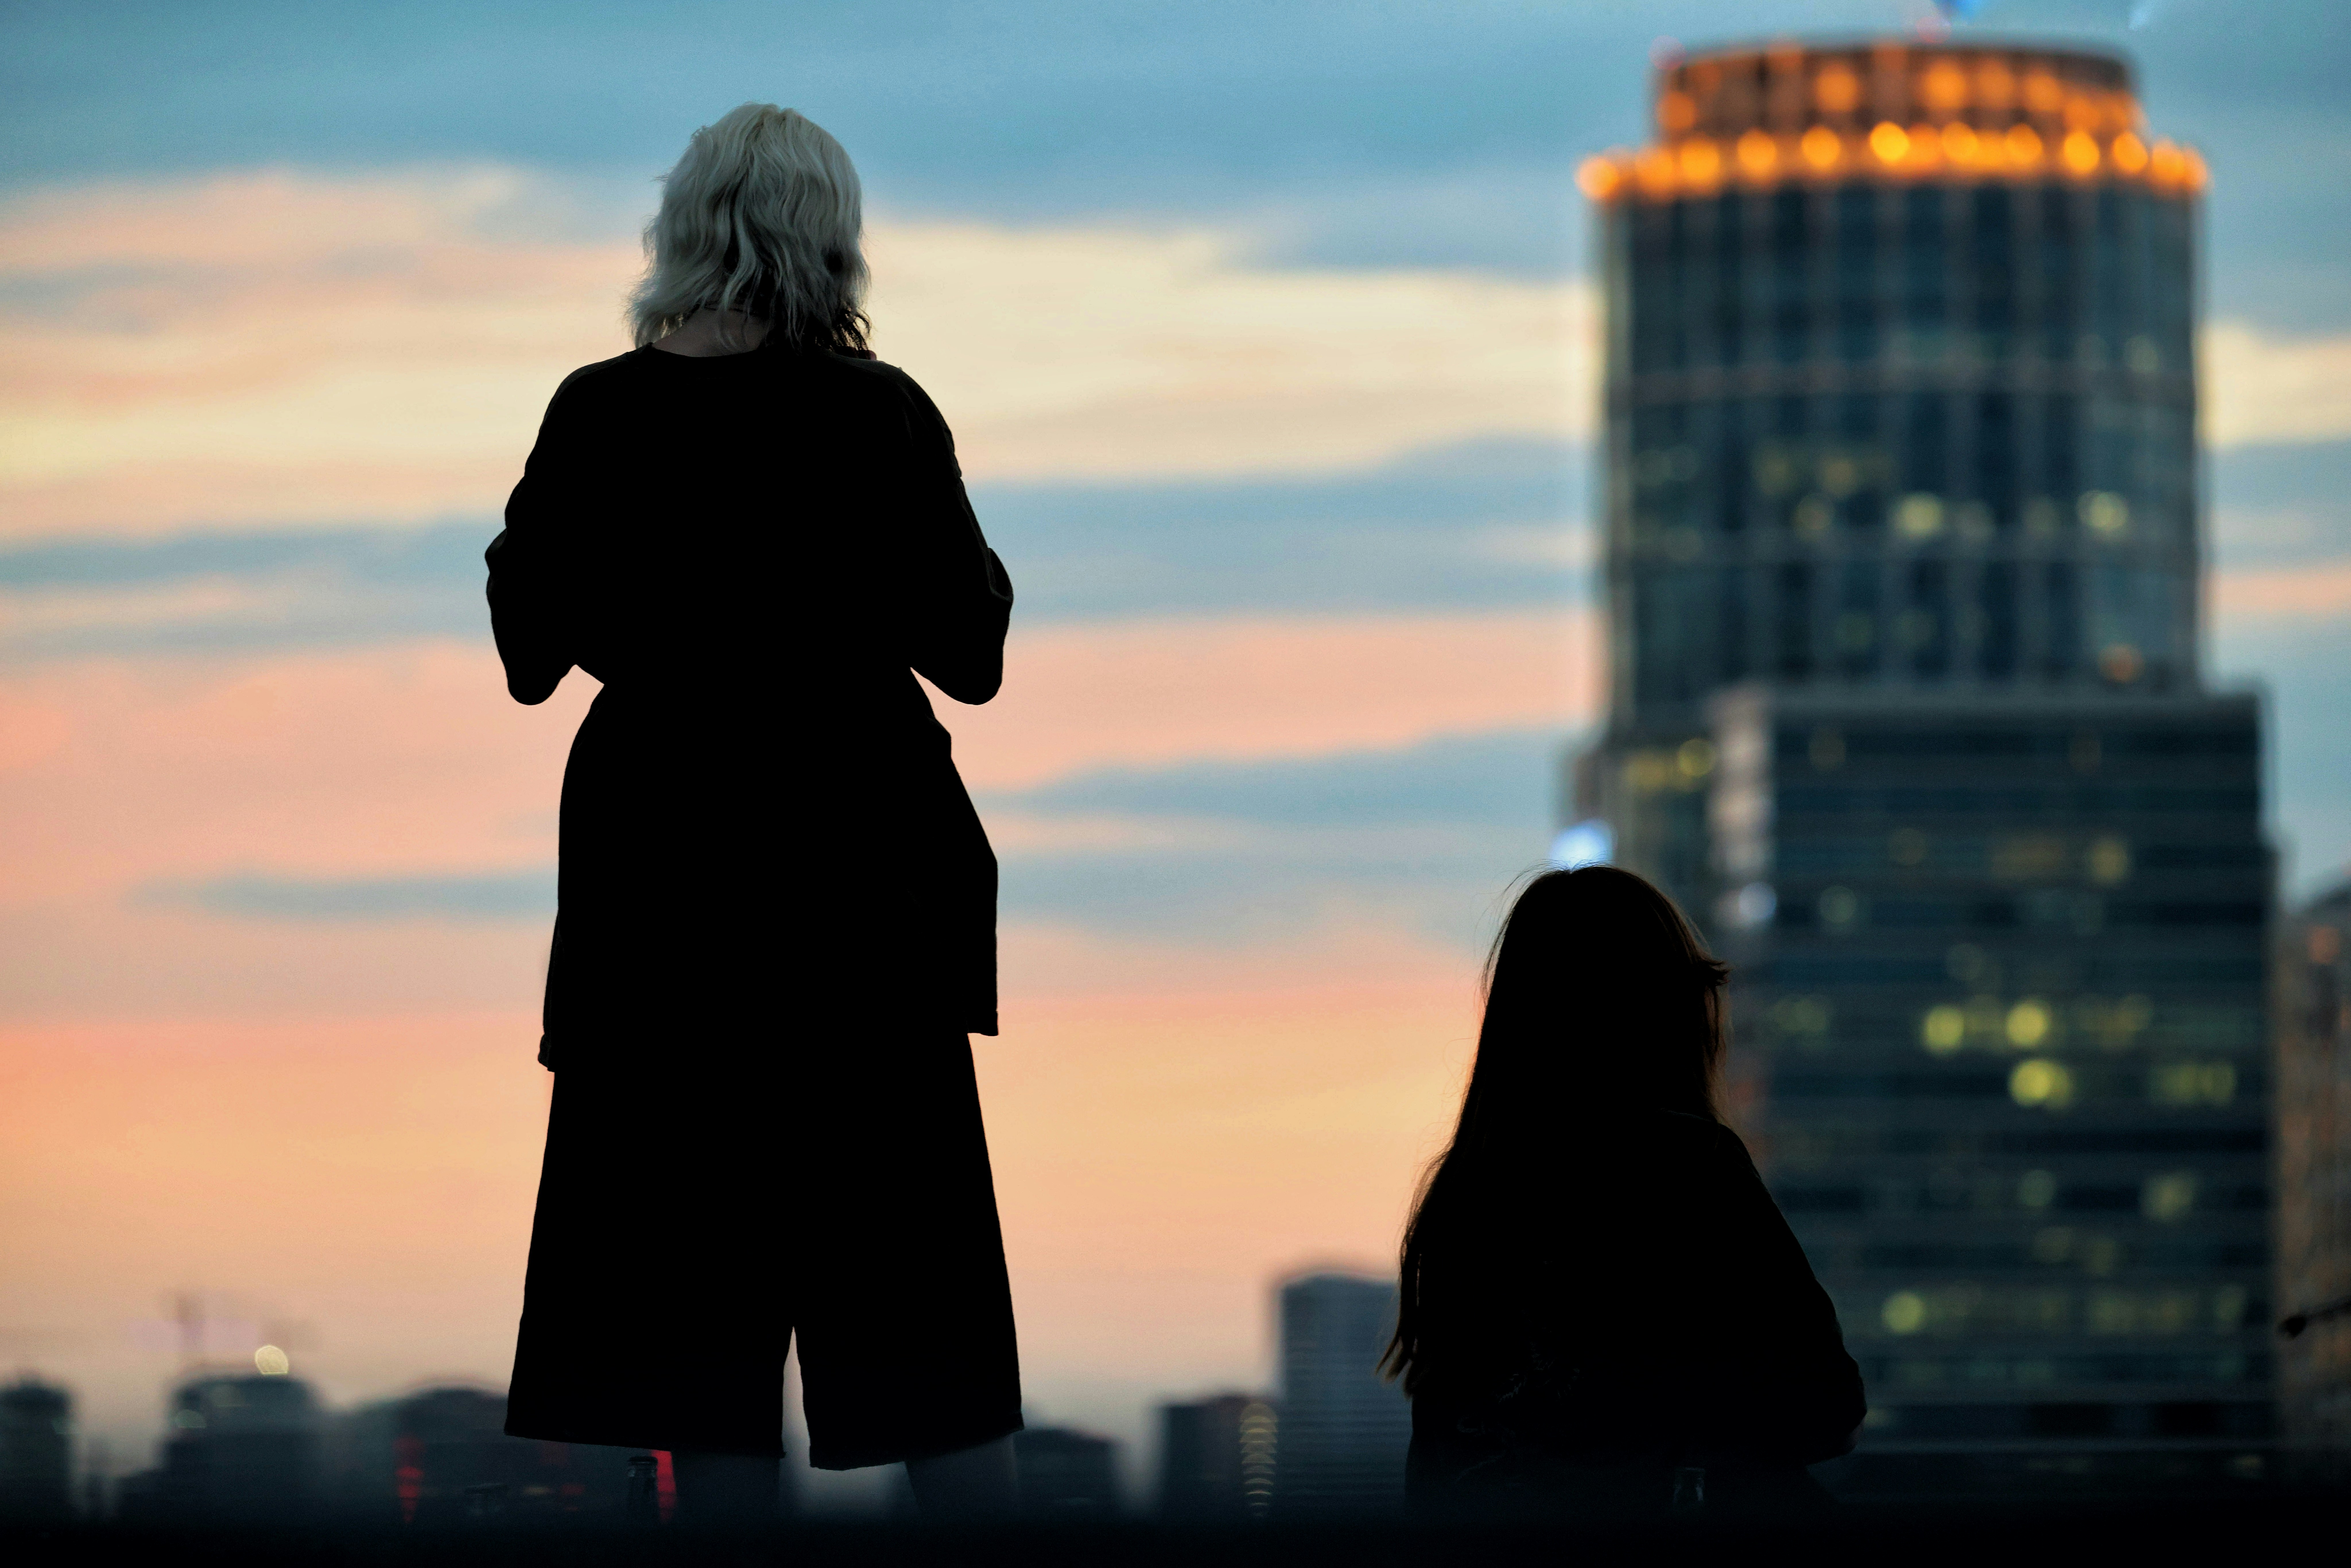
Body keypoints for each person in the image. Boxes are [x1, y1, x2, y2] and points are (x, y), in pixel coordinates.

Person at [486, 104, 1022, 1524]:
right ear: (829, 246)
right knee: (933, 1367)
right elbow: (972, 648)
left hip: (662, 944)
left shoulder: (599, 413)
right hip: (867, 939)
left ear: (681, 235)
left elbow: (529, 645)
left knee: (702, 1391)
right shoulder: (880, 415)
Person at [1383, 866, 1864, 1522]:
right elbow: (1825, 1409)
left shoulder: (1465, 1197)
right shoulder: (1688, 1167)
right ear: (1661, 1011)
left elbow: (1439, 1463)